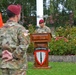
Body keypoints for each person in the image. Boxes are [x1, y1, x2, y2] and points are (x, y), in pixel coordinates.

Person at [0, 4, 30, 75]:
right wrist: (13, 55)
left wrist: (2, 54)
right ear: (17, 15)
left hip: (4, 65)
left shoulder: (1, 29)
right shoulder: (20, 29)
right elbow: (24, 45)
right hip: (17, 66)